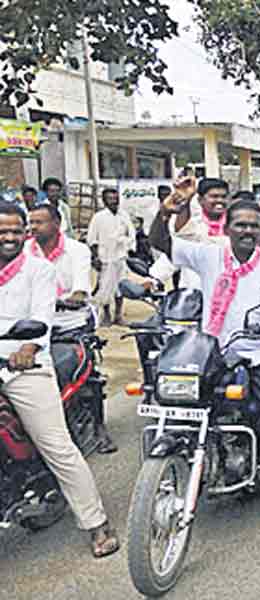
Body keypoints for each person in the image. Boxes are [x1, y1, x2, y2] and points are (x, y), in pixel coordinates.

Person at [149, 179, 260, 532]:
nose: (247, 231)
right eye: (240, 225)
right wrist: (165, 212)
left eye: (254, 225)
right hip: (215, 350)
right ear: (226, 228)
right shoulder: (208, 254)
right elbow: (161, 242)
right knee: (176, 400)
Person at [0, 201, 120, 557]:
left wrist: (28, 349)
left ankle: (96, 523)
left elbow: (42, 318)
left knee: (56, 445)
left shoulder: (39, 270)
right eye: (2, 231)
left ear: (25, 233)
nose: (9, 237)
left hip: (23, 365)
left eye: (15, 230)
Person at [27, 204, 117, 453]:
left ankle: (99, 429)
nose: (33, 227)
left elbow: (80, 288)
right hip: (34, 323)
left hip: (71, 322)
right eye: (31, 222)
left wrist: (70, 298)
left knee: (86, 373)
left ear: (56, 224)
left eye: (39, 222)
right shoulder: (24, 250)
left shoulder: (77, 250)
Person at [87, 188, 135, 327]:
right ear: (104, 201)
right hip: (106, 258)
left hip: (121, 257)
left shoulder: (124, 215)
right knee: (106, 288)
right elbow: (92, 239)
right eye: (110, 199)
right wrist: (95, 257)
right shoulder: (99, 217)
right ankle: (106, 314)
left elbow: (131, 233)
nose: (114, 201)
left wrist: (129, 246)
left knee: (121, 287)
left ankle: (118, 315)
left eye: (116, 198)